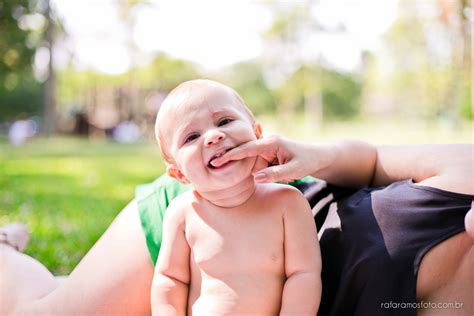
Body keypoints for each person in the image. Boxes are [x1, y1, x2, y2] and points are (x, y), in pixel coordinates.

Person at [0, 92, 472, 315]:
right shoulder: (467, 175)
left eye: (224, 121)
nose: (214, 134)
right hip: (220, 205)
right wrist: (316, 155)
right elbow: (371, 159)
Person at [151, 79, 321, 315]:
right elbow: (169, 279)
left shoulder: (288, 203)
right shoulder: (183, 213)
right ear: (179, 173)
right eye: (191, 137)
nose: (213, 136)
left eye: (225, 121)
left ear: (257, 134)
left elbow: (304, 274)